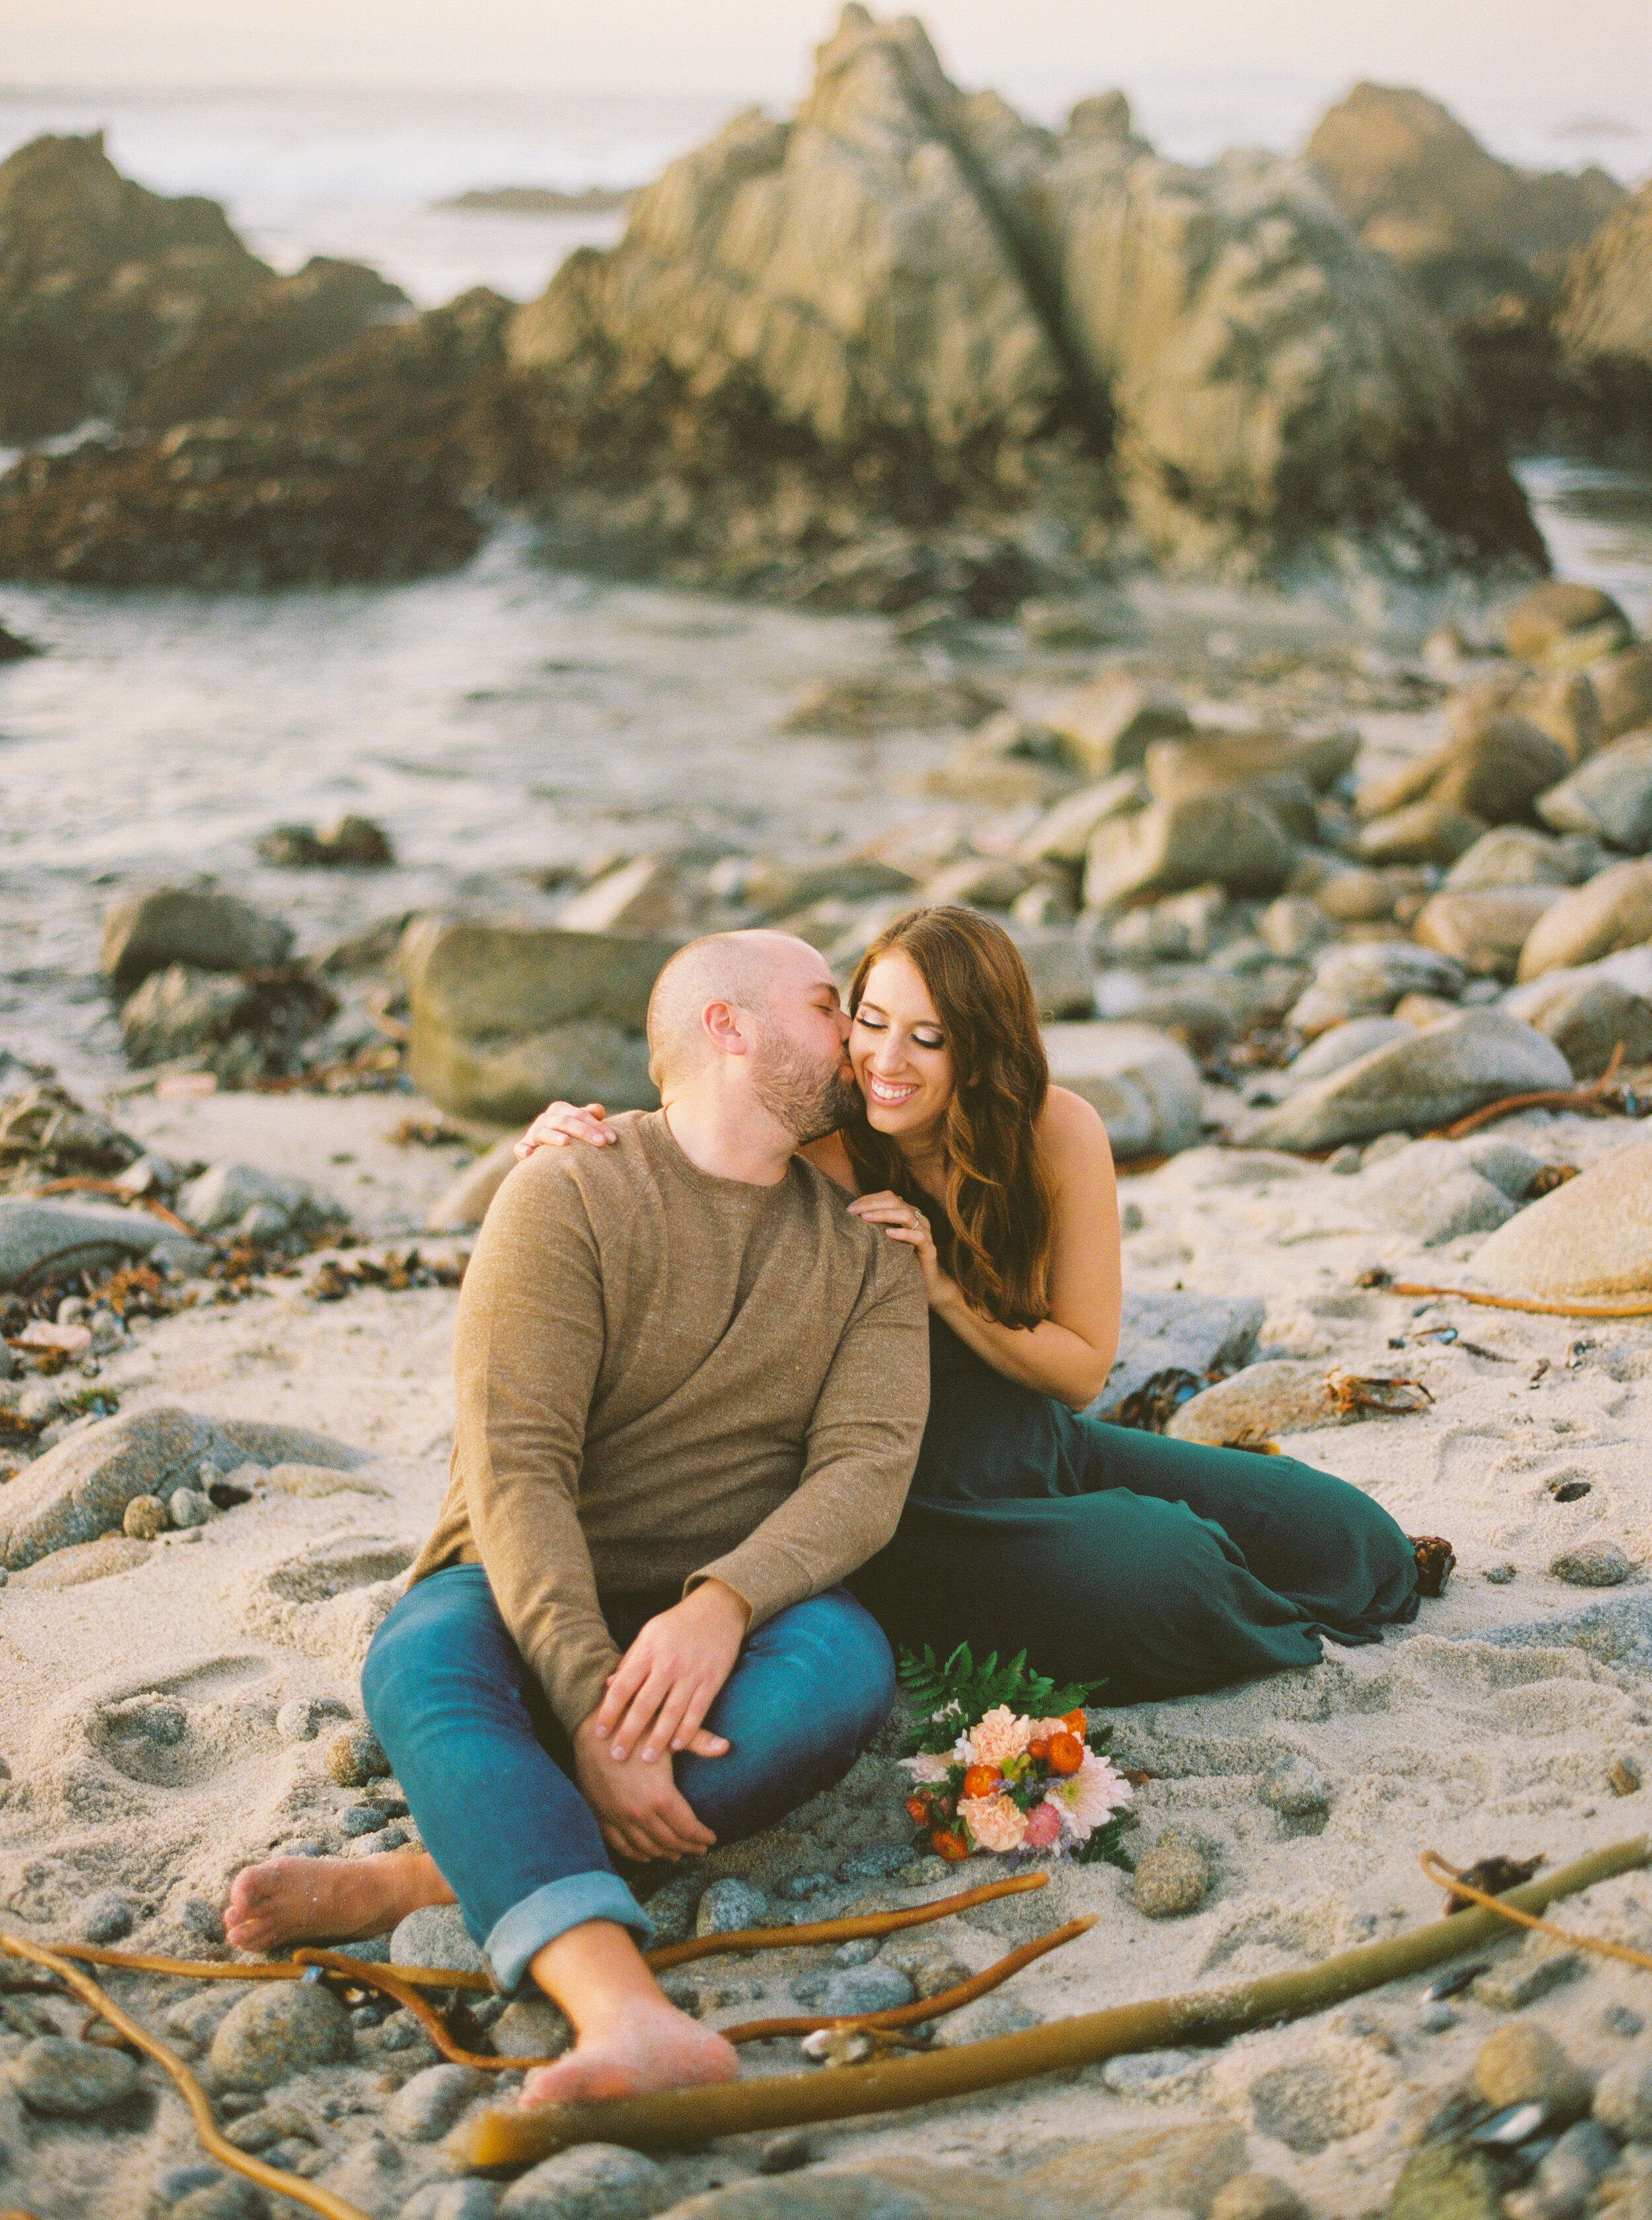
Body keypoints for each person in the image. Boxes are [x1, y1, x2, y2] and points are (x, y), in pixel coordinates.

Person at [224, 930, 930, 2108]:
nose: (856, 1040)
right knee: (419, 1666)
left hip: (732, 1605)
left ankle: (428, 1872)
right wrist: (592, 1707)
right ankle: (623, 2011)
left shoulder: (868, 1251)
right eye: (827, 1006)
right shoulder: (567, 1190)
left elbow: (866, 1472)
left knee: (842, 1676)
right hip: (515, 1579)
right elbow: (519, 1471)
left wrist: (722, 1605)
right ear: (727, 1026)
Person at [519, 904, 1421, 1707]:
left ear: (982, 1048)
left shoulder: (1058, 1133)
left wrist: (945, 1290)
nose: (884, 1060)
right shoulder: (820, 1139)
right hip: (909, 1498)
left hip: (1038, 1441)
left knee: (1349, 1539)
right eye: (868, 1021)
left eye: (929, 1037)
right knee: (1170, 1569)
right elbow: (699, 1114)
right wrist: (571, 1138)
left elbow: (1079, 1372)